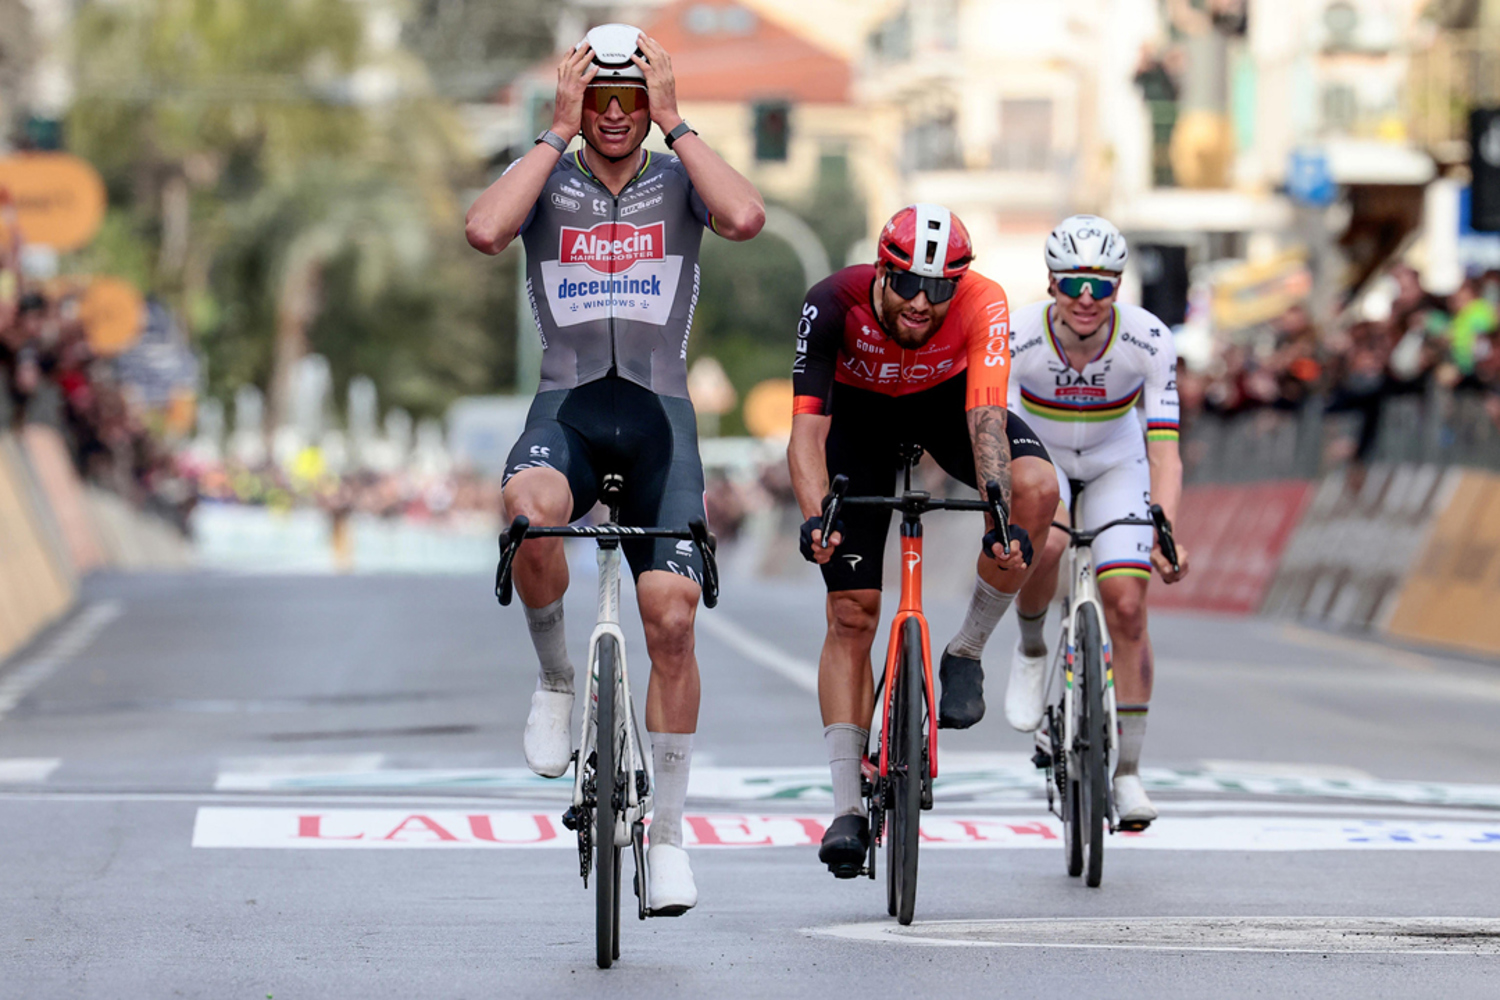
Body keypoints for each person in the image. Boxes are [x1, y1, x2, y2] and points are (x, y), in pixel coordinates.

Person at [464, 22, 765, 914]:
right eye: (602, 100)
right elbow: (484, 229)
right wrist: (552, 129)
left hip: (660, 418)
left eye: (632, 100)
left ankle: (667, 838)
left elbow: (747, 218)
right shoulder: (549, 172)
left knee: (671, 618)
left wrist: (679, 121)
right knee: (527, 511)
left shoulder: (680, 175)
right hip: (567, 411)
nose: (617, 117)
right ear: (579, 102)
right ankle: (558, 679)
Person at [786, 203, 1060, 877]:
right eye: (906, 282)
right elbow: (807, 435)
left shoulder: (983, 301)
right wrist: (817, 515)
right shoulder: (832, 301)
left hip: (949, 406)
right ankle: (848, 806)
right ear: (881, 270)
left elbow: (987, 419)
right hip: (861, 418)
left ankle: (966, 648)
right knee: (851, 613)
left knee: (1037, 491)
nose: (920, 301)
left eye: (938, 288)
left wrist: (998, 515)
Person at [1004, 214, 1191, 830]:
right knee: (1049, 544)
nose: (1087, 298)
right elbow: (996, 432)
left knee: (1128, 607)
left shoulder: (1149, 338)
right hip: (1042, 456)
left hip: (1117, 463)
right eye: (1075, 283)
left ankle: (1129, 774)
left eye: (1103, 285)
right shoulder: (1017, 335)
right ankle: (1032, 648)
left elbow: (1163, 445)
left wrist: (1162, 525)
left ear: (1119, 286)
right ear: (1052, 282)